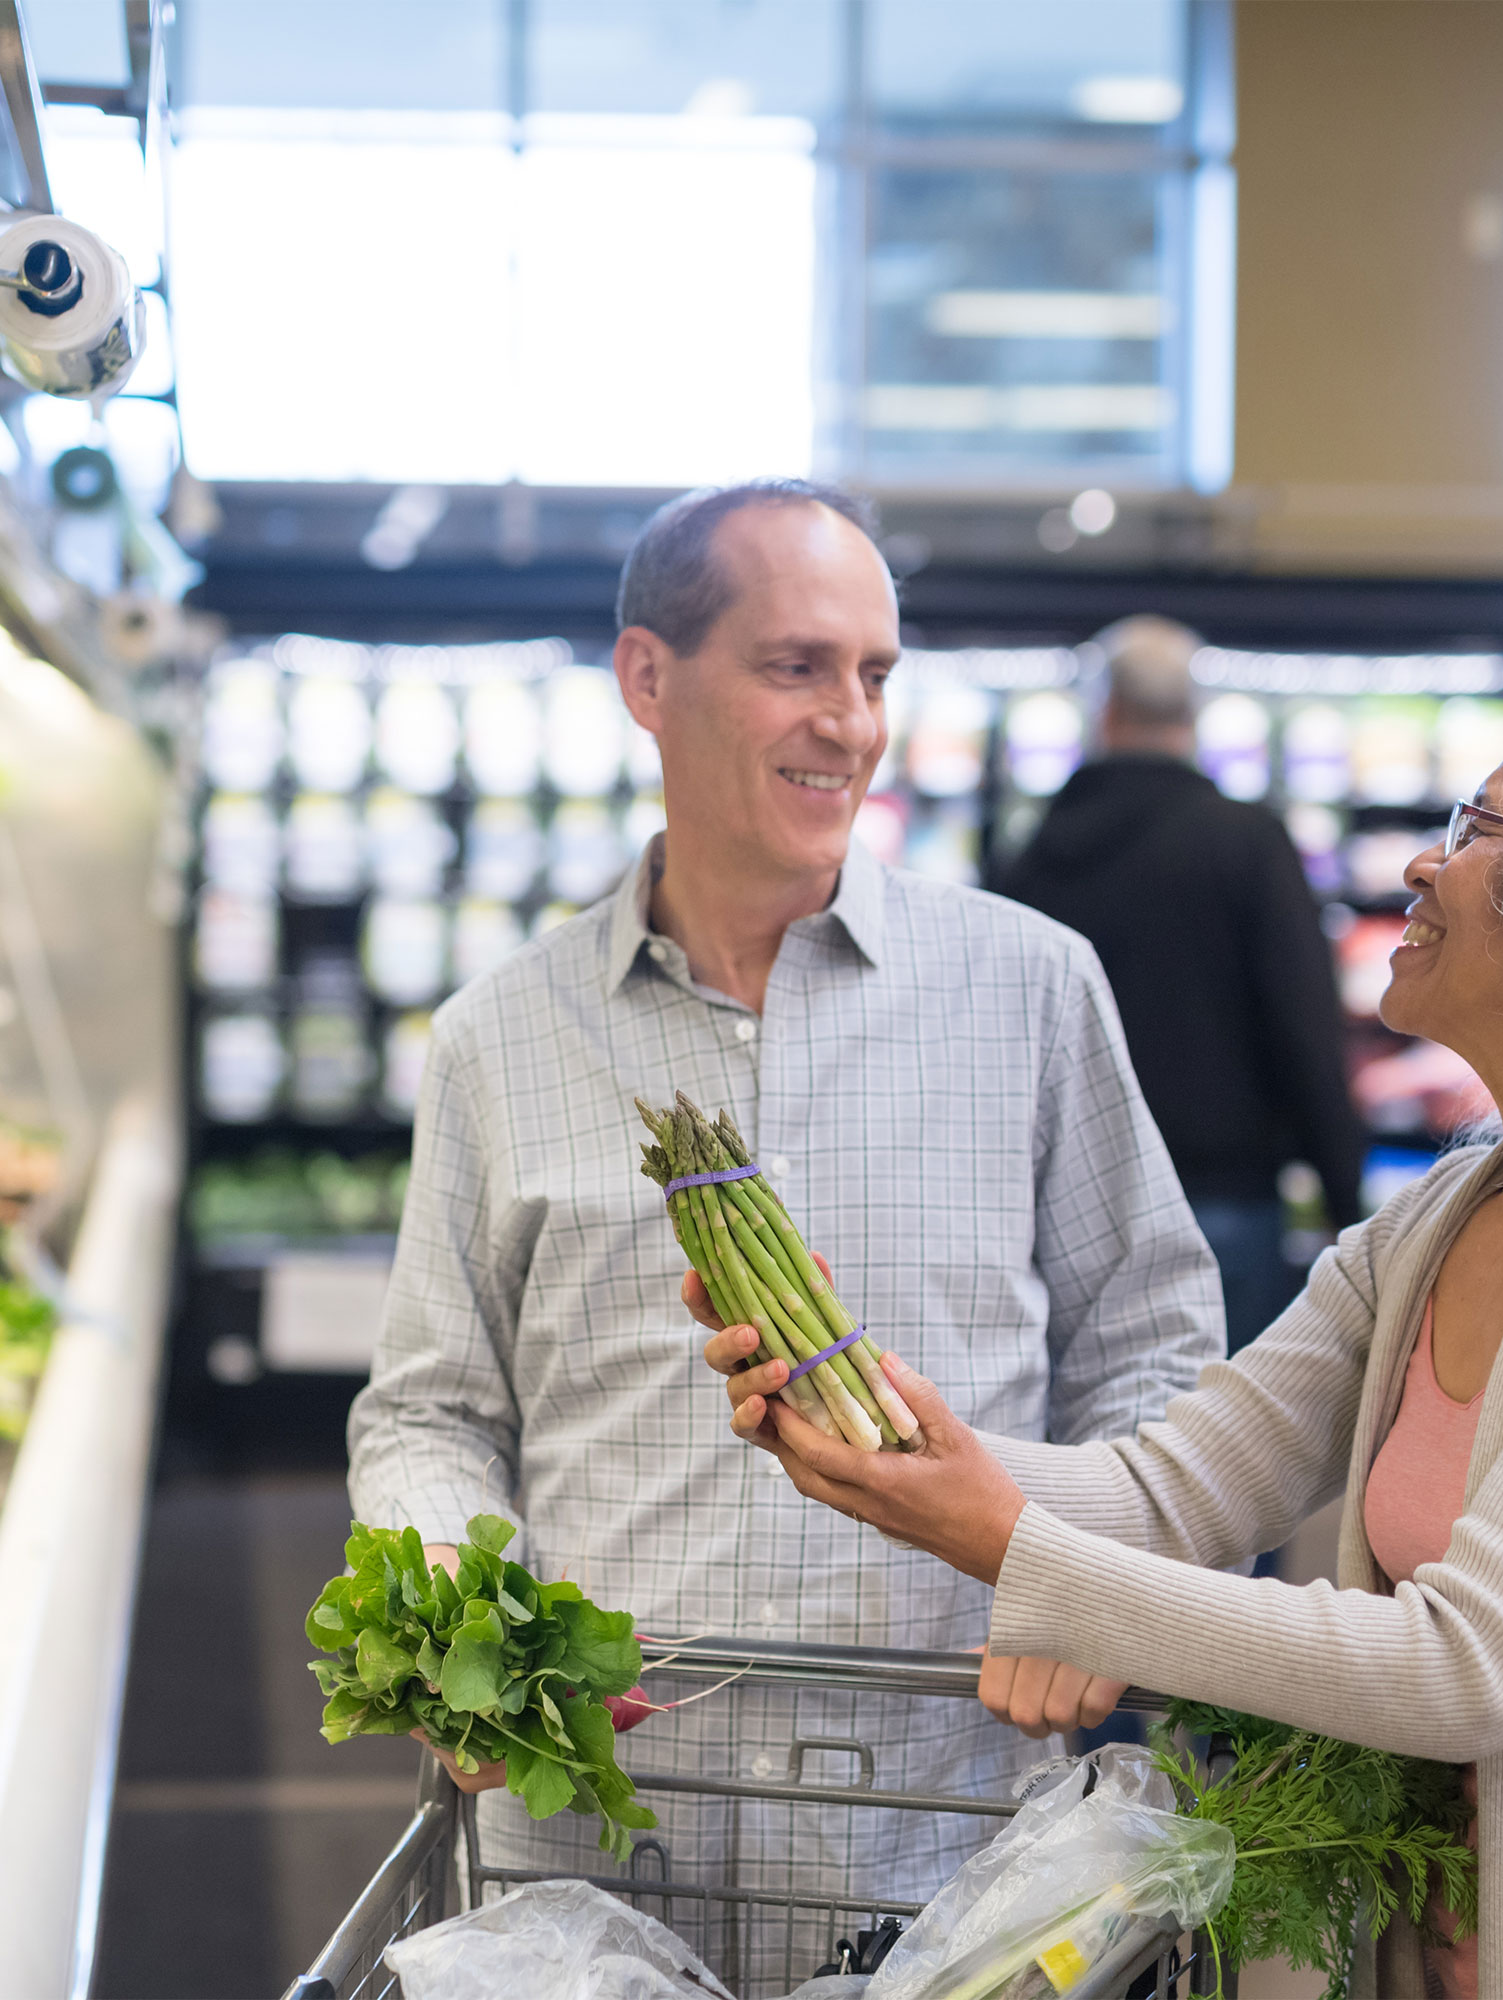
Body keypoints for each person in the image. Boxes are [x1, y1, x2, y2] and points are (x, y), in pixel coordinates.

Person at [703, 675, 1503, 1999]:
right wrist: (870, 1428)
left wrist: (1007, 1548)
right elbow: (1173, 1486)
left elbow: (1463, 1664)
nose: (1424, 859)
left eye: (1479, 832)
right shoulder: (1442, 1219)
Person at [346, 479, 1222, 1984]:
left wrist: (1096, 1573)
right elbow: (435, 1404)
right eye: (796, 666)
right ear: (648, 678)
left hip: (945, 1857)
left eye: (875, 674)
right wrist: (449, 1622)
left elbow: (1156, 1346)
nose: (851, 722)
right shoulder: (504, 1035)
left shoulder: (1030, 989)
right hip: (593, 1863)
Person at [1000, 615, 1364, 1355]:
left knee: (1101, 1453)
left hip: (1070, 1210)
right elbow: (1304, 1029)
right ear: (1192, 719)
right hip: (1224, 1204)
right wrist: (1346, 1203)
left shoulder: (1033, 856)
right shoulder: (1246, 841)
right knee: (1230, 1454)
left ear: (1103, 715)